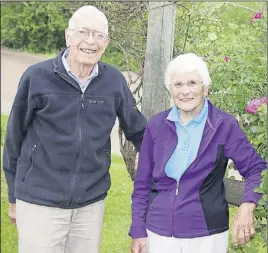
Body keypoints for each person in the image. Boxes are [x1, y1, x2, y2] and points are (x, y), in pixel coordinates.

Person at [3, 5, 147, 253]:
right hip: (40, 201)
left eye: (99, 35)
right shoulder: (36, 77)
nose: (90, 41)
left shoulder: (113, 81)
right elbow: (14, 138)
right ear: (68, 35)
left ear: (107, 42)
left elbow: (140, 131)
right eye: (83, 32)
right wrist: (14, 197)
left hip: (89, 206)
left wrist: (174, 153)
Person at [129, 53, 266, 253]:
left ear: (206, 87)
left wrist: (247, 204)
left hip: (206, 235)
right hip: (158, 233)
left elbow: (257, 168)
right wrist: (138, 230)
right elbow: (142, 184)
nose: (185, 91)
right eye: (178, 84)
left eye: (192, 83)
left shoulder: (223, 125)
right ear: (170, 89)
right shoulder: (156, 125)